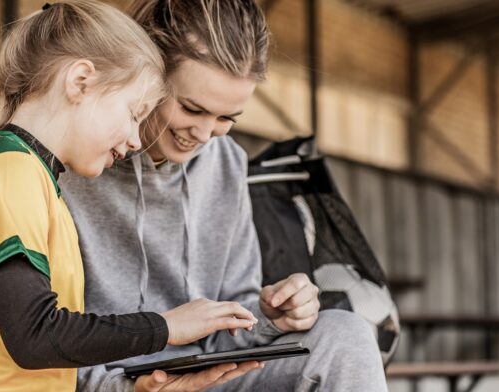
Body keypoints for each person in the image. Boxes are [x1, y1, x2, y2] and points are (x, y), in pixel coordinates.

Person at [0, 1, 259, 391]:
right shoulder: (7, 172)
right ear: (80, 81)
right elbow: (35, 336)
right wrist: (168, 326)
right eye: (133, 113)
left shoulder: (39, 182)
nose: (133, 138)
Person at [60, 0, 389, 390]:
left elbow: (232, 316)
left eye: (225, 118)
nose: (203, 134)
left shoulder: (227, 163)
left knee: (344, 334)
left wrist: (269, 315)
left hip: (210, 375)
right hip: (111, 383)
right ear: (145, 73)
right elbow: (33, 331)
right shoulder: (71, 162)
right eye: (191, 108)